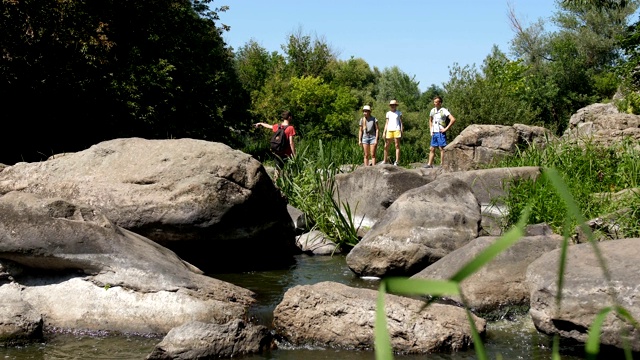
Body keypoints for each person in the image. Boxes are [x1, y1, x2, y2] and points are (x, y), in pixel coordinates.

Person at [425, 96, 456, 168]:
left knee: (441, 148)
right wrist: (430, 130)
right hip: (434, 131)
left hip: (440, 131)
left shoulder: (444, 110)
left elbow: (453, 119)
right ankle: (429, 164)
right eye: (434, 102)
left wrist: (446, 129)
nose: (434, 103)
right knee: (432, 148)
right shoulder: (432, 110)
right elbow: (430, 120)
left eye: (436, 102)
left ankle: (442, 164)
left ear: (440, 103)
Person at [382, 99, 403, 165]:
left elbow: (401, 122)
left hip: (397, 129)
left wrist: (402, 130)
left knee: (397, 145)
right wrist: (384, 132)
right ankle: (385, 160)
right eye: (391, 105)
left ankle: (397, 161)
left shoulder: (399, 113)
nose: (392, 106)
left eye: (394, 105)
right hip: (389, 130)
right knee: (386, 146)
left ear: (396, 105)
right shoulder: (388, 113)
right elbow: (386, 123)